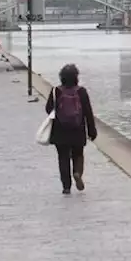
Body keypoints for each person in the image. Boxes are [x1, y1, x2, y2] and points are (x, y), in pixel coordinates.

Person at [45, 63, 97, 195]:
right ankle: (77, 173)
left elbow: (48, 109)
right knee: (78, 154)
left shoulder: (56, 91)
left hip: (60, 131)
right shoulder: (81, 91)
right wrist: (92, 131)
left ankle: (66, 186)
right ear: (76, 77)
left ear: (61, 77)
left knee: (63, 157)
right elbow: (88, 112)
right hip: (77, 130)